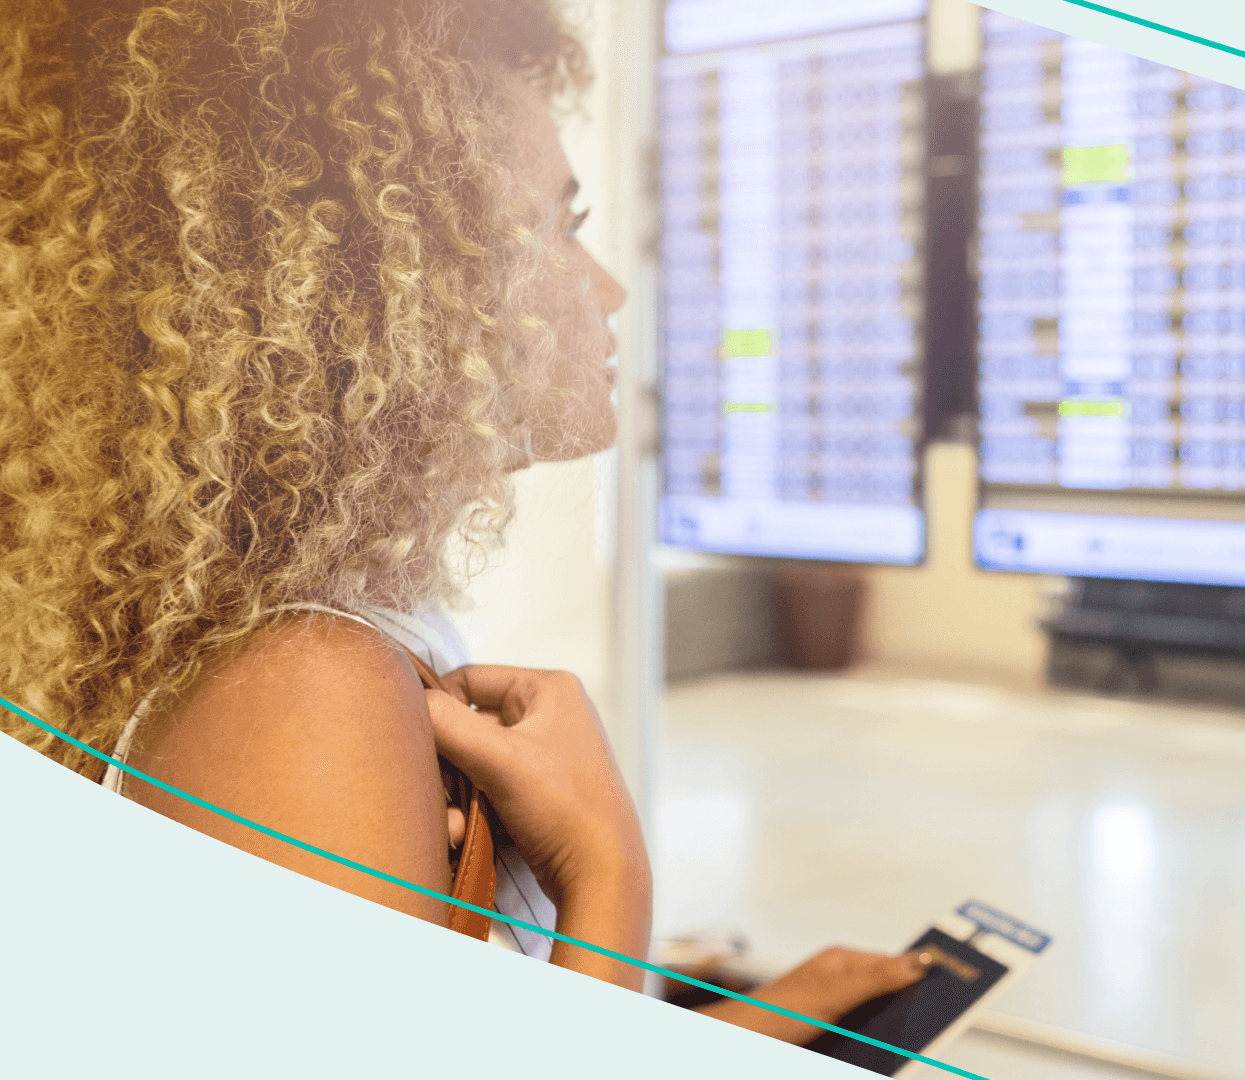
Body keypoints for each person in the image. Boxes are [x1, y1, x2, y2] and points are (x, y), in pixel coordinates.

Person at [0, 0, 926, 1044]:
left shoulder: (306, 644)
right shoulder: (306, 692)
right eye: (557, 228)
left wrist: (774, 1022)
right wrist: (604, 867)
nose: (609, 290)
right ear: (375, 278)